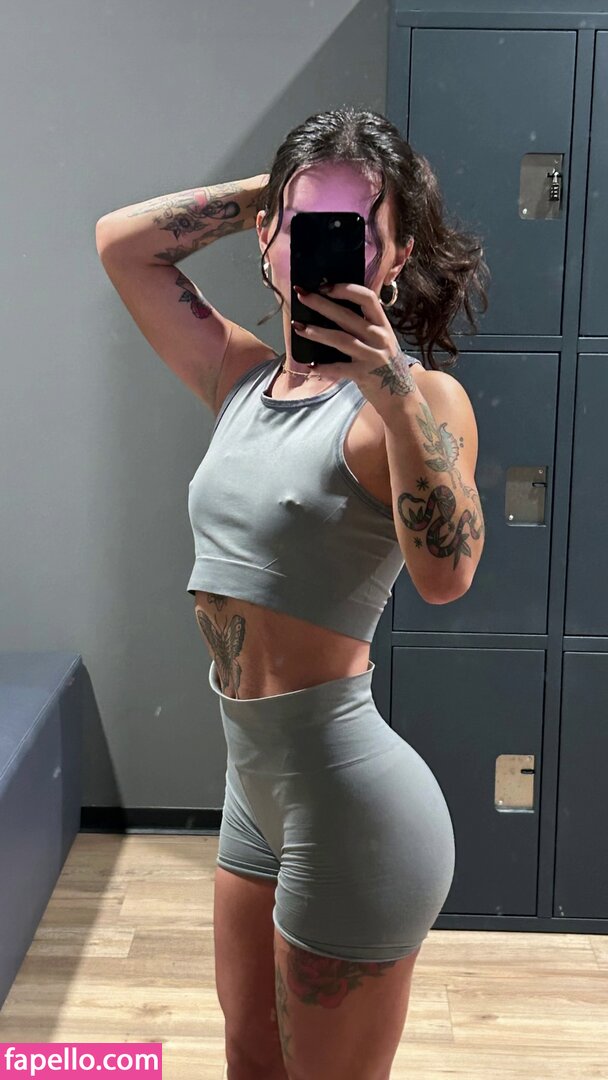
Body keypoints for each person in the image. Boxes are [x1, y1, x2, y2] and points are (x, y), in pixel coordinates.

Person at [96, 105, 489, 1080]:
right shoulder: (238, 378)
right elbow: (123, 245)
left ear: (394, 258)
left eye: (357, 230)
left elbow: (447, 575)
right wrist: (270, 197)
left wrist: (390, 383)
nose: (327, 245)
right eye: (308, 225)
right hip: (253, 788)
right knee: (247, 1060)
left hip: (349, 803)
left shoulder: (418, 400)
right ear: (271, 238)